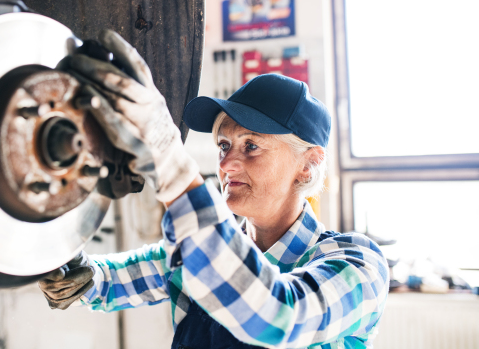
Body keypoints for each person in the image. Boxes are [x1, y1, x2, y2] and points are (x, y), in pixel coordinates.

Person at [38, 30, 389, 348]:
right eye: (224, 146)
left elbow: (280, 316)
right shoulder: (197, 249)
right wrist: (73, 271)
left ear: (308, 164)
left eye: (251, 146)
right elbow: (109, 280)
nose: (225, 165)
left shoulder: (358, 265)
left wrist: (172, 166)